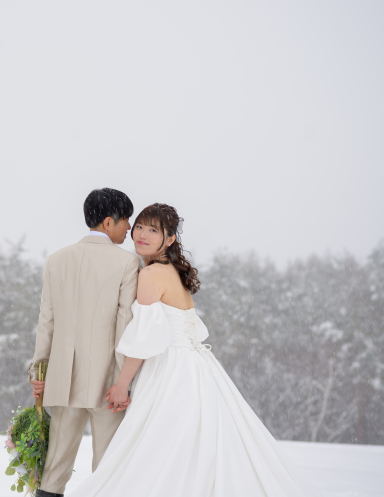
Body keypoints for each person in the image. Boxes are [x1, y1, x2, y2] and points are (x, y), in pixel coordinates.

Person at [69, 203, 323, 497]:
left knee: (161, 447)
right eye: (139, 226)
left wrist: (122, 385)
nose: (142, 234)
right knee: (188, 446)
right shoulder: (169, 270)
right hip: (196, 368)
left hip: (171, 370)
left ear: (170, 239)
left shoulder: (152, 275)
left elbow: (145, 337)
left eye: (154, 230)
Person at [30, 188, 142, 497]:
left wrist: (39, 372)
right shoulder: (127, 262)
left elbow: (46, 321)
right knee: (107, 470)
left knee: (53, 471)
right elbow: (124, 325)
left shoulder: (57, 259)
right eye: (126, 221)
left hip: (62, 379)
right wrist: (123, 381)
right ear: (109, 222)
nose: (129, 228)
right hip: (107, 382)